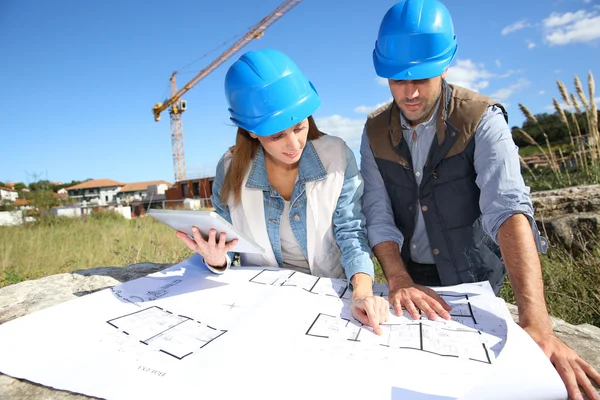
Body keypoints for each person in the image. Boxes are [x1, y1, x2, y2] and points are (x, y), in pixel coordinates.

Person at [360, 0, 600, 398]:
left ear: (446, 64)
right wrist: (398, 278)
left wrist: (537, 324)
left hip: (472, 278)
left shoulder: (482, 119)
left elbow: (507, 210)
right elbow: (377, 212)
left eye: (422, 76)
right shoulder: (373, 131)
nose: (411, 92)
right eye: (397, 79)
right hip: (407, 277)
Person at [177, 48, 389, 334]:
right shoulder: (229, 170)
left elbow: (351, 232)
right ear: (251, 131)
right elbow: (227, 244)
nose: (293, 145)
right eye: (277, 135)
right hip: (261, 302)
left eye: (300, 127)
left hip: (330, 296)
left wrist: (362, 292)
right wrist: (215, 259)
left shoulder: (337, 156)